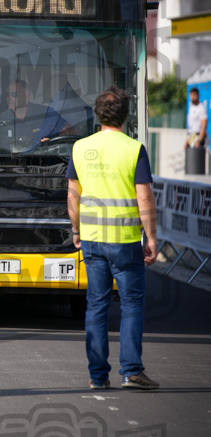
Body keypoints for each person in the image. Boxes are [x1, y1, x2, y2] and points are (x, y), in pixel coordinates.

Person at [67, 86, 159, 391]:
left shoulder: (80, 147)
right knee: (131, 303)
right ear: (126, 115)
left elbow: (73, 196)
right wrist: (151, 237)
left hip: (92, 240)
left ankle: (97, 376)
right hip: (124, 241)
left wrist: (76, 230)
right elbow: (144, 198)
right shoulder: (134, 149)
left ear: (97, 114)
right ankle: (131, 371)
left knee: (96, 305)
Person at [184, 86, 208, 151]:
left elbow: (204, 126)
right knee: (189, 154)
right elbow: (190, 127)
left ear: (198, 95)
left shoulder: (201, 108)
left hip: (197, 135)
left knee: (196, 156)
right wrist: (186, 141)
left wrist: (199, 140)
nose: (193, 97)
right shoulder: (191, 108)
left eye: (194, 94)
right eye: (191, 95)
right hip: (191, 135)